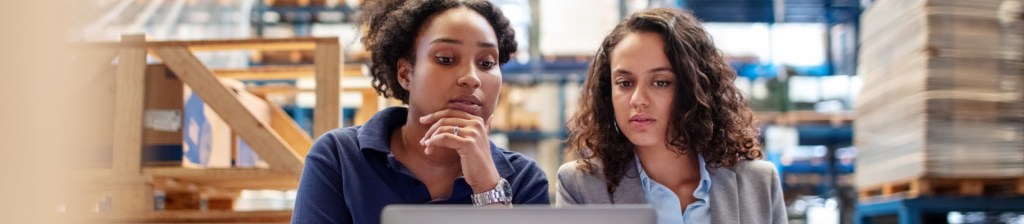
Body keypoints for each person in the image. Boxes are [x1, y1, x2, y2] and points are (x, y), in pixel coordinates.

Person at [291, 0, 550, 223]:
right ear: (405, 73)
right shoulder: (338, 158)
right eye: (446, 59)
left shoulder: (525, 180)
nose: (472, 78)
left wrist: (489, 189)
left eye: (486, 63)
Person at [556, 8, 788, 224]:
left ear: (695, 89)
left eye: (660, 82)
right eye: (625, 83)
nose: (637, 99)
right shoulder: (581, 186)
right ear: (608, 93)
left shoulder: (759, 182)